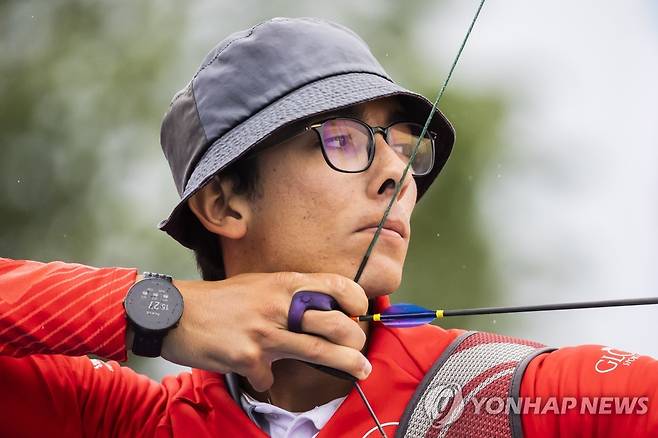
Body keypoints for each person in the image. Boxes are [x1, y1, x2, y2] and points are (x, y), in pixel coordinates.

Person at [1, 17, 657, 438]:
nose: (396, 175)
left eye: (404, 147)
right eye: (343, 140)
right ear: (224, 203)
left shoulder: (520, 398)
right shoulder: (128, 423)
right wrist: (160, 312)